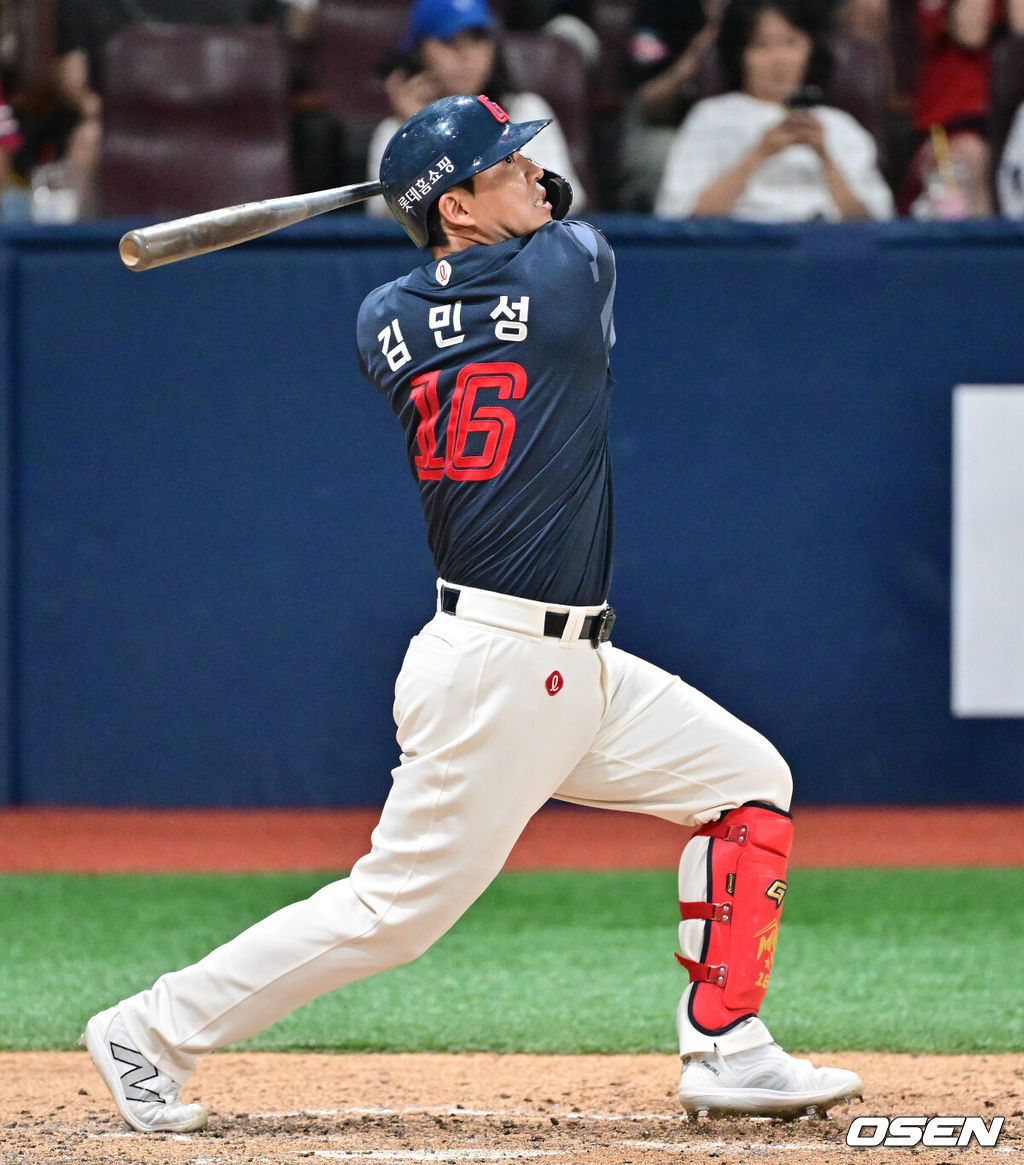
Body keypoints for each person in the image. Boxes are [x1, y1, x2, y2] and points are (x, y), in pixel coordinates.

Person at [81, 92, 863, 1133]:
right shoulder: (569, 273)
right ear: (453, 205)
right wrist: (480, 197)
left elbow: (493, 258)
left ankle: (729, 1045)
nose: (537, 172)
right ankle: (149, 1029)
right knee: (393, 911)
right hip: (504, 668)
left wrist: (458, 191)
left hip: (565, 663)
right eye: (508, 164)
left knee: (746, 779)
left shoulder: (382, 318)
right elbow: (565, 219)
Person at [53, 0, 300, 218]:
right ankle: (75, 249)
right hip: (130, 123)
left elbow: (293, 35)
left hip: (233, 119)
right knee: (87, 140)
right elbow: (73, 79)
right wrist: (106, 113)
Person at [654, 0, 894, 221]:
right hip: (743, 243)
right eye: (762, 45)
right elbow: (679, 218)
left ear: (811, 49)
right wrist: (760, 153)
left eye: (791, 43)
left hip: (824, 244)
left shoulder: (840, 125)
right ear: (740, 54)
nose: (779, 59)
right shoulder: (711, 118)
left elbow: (876, 225)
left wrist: (825, 157)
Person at [365, 0, 587, 215]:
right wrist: (421, 134)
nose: (467, 55)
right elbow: (392, 219)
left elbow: (560, 197)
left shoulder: (527, 112)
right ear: (419, 52)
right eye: (450, 41)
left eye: (478, 40)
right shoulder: (395, 133)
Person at [900, 0, 1024, 218]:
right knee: (971, 157)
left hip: (1011, 123)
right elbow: (972, 33)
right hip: (949, 129)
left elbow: (1020, 27)